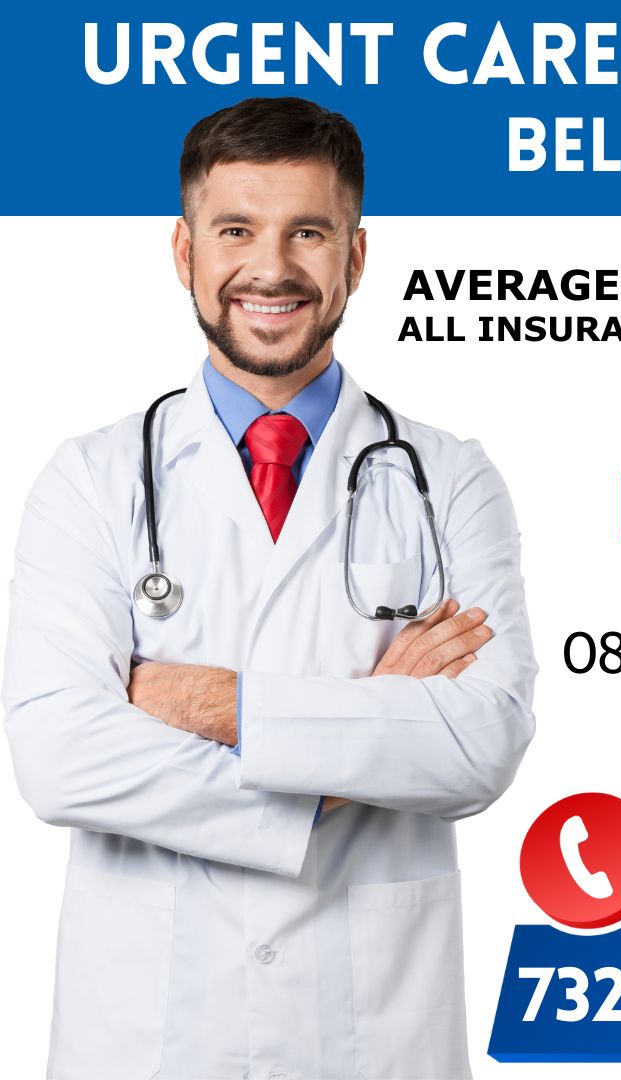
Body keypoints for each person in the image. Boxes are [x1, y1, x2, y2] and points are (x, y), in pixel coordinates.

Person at [2, 96, 536, 1080]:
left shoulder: (449, 477)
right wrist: (369, 730)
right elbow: (57, 758)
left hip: (374, 1031)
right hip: (150, 1034)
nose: (271, 267)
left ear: (356, 258)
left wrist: (204, 702)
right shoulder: (89, 479)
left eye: (309, 232)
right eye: (236, 230)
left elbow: (479, 744)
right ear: (184, 251)